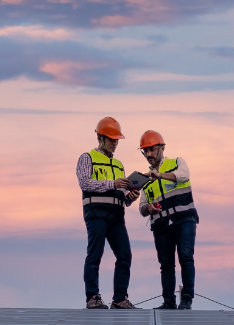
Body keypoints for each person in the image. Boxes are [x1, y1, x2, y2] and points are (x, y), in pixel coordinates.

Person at [78, 117, 140, 309]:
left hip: (116, 216)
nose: (115, 143)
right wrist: (112, 184)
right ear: (100, 137)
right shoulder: (87, 158)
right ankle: (93, 297)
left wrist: (131, 196)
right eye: (111, 139)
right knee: (95, 255)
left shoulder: (119, 165)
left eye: (116, 140)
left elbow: (123, 197)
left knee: (125, 255)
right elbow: (85, 183)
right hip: (96, 214)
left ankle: (119, 299)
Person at [137, 130, 198, 310]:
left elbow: (184, 175)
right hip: (161, 225)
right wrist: (149, 208)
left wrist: (160, 175)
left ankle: (186, 300)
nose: (149, 154)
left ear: (162, 148)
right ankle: (169, 302)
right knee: (166, 264)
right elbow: (142, 207)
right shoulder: (144, 180)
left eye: (152, 149)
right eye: (145, 151)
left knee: (186, 257)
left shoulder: (177, 162)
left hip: (184, 219)